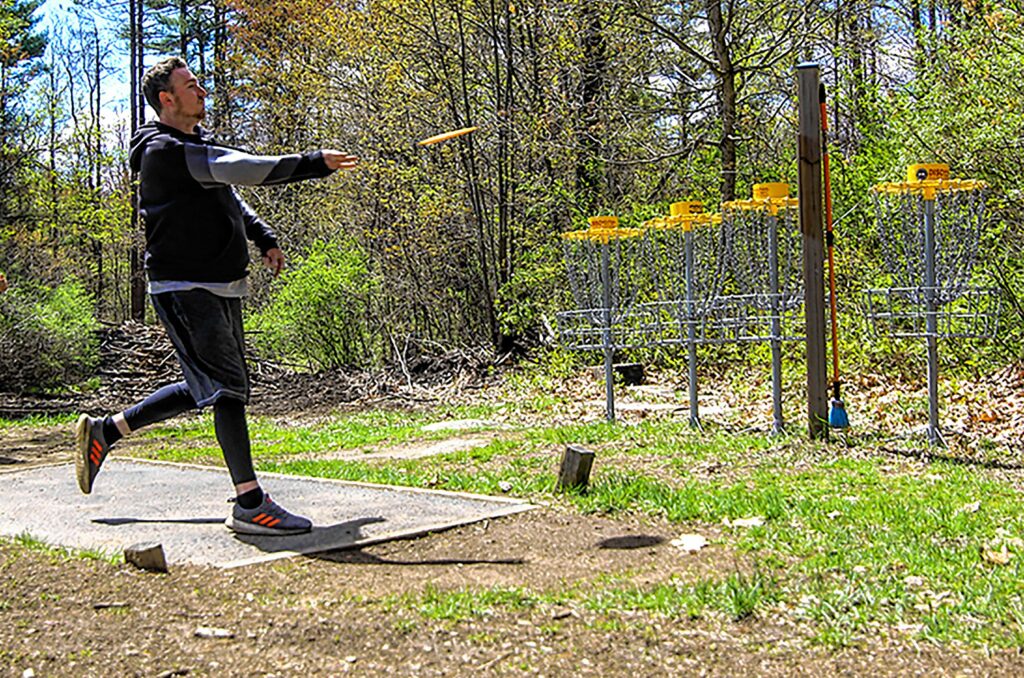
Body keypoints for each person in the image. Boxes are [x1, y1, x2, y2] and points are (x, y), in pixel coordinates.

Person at [75, 56, 358, 535]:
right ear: (167, 99)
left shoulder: (193, 145)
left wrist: (262, 235)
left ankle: (108, 430)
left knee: (208, 384)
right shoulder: (163, 150)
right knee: (226, 388)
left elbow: (227, 190)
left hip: (221, 283)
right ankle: (250, 503)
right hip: (184, 286)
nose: (202, 91)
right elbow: (240, 169)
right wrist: (310, 163)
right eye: (191, 85)